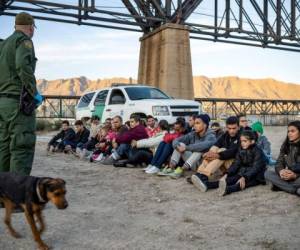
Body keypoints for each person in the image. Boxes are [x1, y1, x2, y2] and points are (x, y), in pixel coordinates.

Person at [0, 12, 43, 175]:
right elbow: (22, 66)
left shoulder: (3, 45)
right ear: (31, 27)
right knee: (21, 148)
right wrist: (33, 93)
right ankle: (16, 196)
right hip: (18, 104)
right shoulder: (24, 41)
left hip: (2, 104)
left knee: (4, 149)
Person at [191, 130, 266, 196]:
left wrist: (244, 177)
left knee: (240, 183)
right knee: (228, 180)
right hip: (243, 172)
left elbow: (256, 168)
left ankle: (226, 190)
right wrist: (227, 174)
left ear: (252, 141)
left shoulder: (258, 152)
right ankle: (206, 185)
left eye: (245, 141)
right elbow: (236, 163)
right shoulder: (240, 149)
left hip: (256, 176)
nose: (242, 143)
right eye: (241, 141)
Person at [163, 114, 216, 179]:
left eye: (198, 123)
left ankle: (181, 170)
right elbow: (176, 140)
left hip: (202, 165)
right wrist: (177, 146)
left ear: (205, 125)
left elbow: (204, 145)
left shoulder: (211, 136)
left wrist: (186, 148)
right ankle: (171, 167)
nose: (194, 125)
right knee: (180, 144)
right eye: (195, 123)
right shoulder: (193, 134)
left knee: (199, 151)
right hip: (192, 164)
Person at [191, 116, 240, 186]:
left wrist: (218, 155)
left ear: (238, 127)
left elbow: (234, 151)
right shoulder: (225, 135)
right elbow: (216, 144)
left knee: (222, 150)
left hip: (235, 166)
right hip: (225, 165)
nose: (231, 131)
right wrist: (209, 153)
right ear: (226, 127)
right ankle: (199, 174)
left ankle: (204, 176)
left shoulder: (242, 136)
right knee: (214, 150)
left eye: (234, 128)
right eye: (229, 128)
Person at [265, 121, 300, 196]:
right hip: (289, 176)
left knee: (297, 182)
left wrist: (295, 175)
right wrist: (281, 171)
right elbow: (279, 162)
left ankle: (285, 187)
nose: (289, 133)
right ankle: (294, 189)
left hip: (297, 176)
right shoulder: (286, 146)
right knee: (267, 173)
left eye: (293, 131)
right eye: (288, 131)